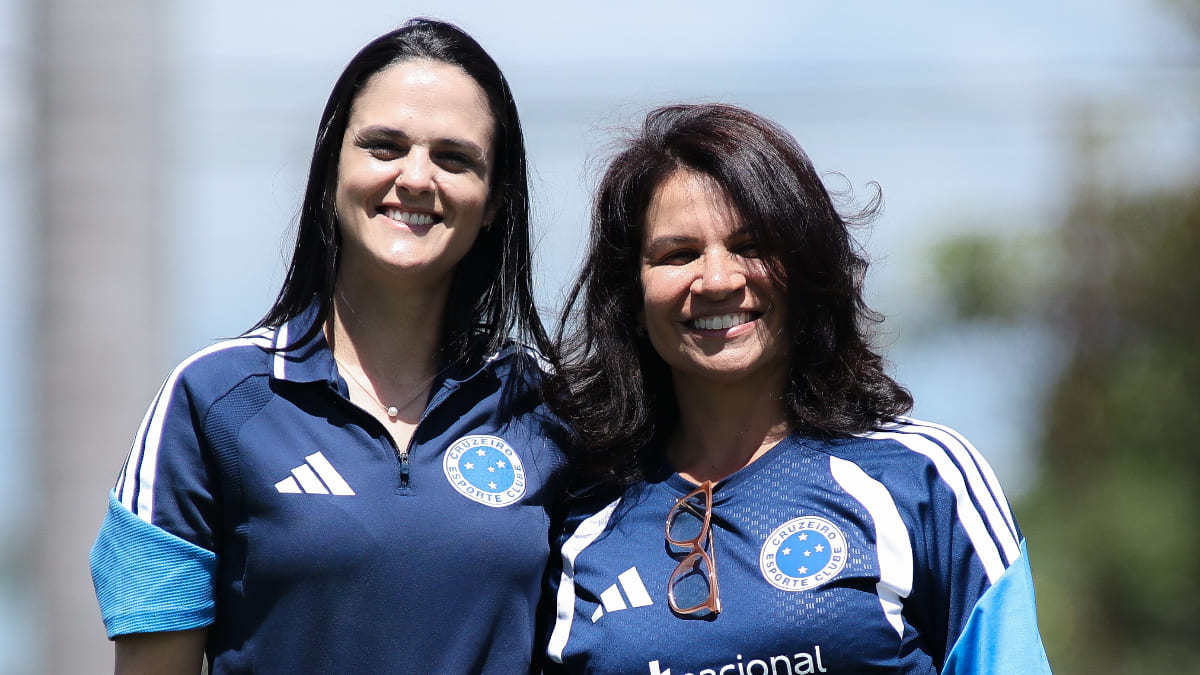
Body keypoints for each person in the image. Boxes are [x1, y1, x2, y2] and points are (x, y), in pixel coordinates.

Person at [89, 18, 566, 674]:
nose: (416, 178)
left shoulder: (552, 409)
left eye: (454, 157)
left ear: (495, 201)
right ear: (332, 166)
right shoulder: (211, 403)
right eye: (384, 146)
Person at [544, 103, 1053, 674]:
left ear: (808, 270)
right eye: (677, 254)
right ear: (632, 299)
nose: (717, 280)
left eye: (751, 245)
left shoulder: (925, 479)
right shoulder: (575, 520)